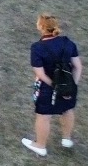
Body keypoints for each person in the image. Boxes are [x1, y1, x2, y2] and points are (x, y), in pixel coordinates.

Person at [25, 13, 81, 156]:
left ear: (41, 27)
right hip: (68, 84)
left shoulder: (37, 48)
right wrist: (71, 85)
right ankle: (67, 139)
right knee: (68, 110)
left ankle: (40, 145)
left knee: (44, 115)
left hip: (47, 88)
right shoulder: (68, 42)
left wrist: (55, 86)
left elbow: (40, 73)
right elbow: (78, 66)